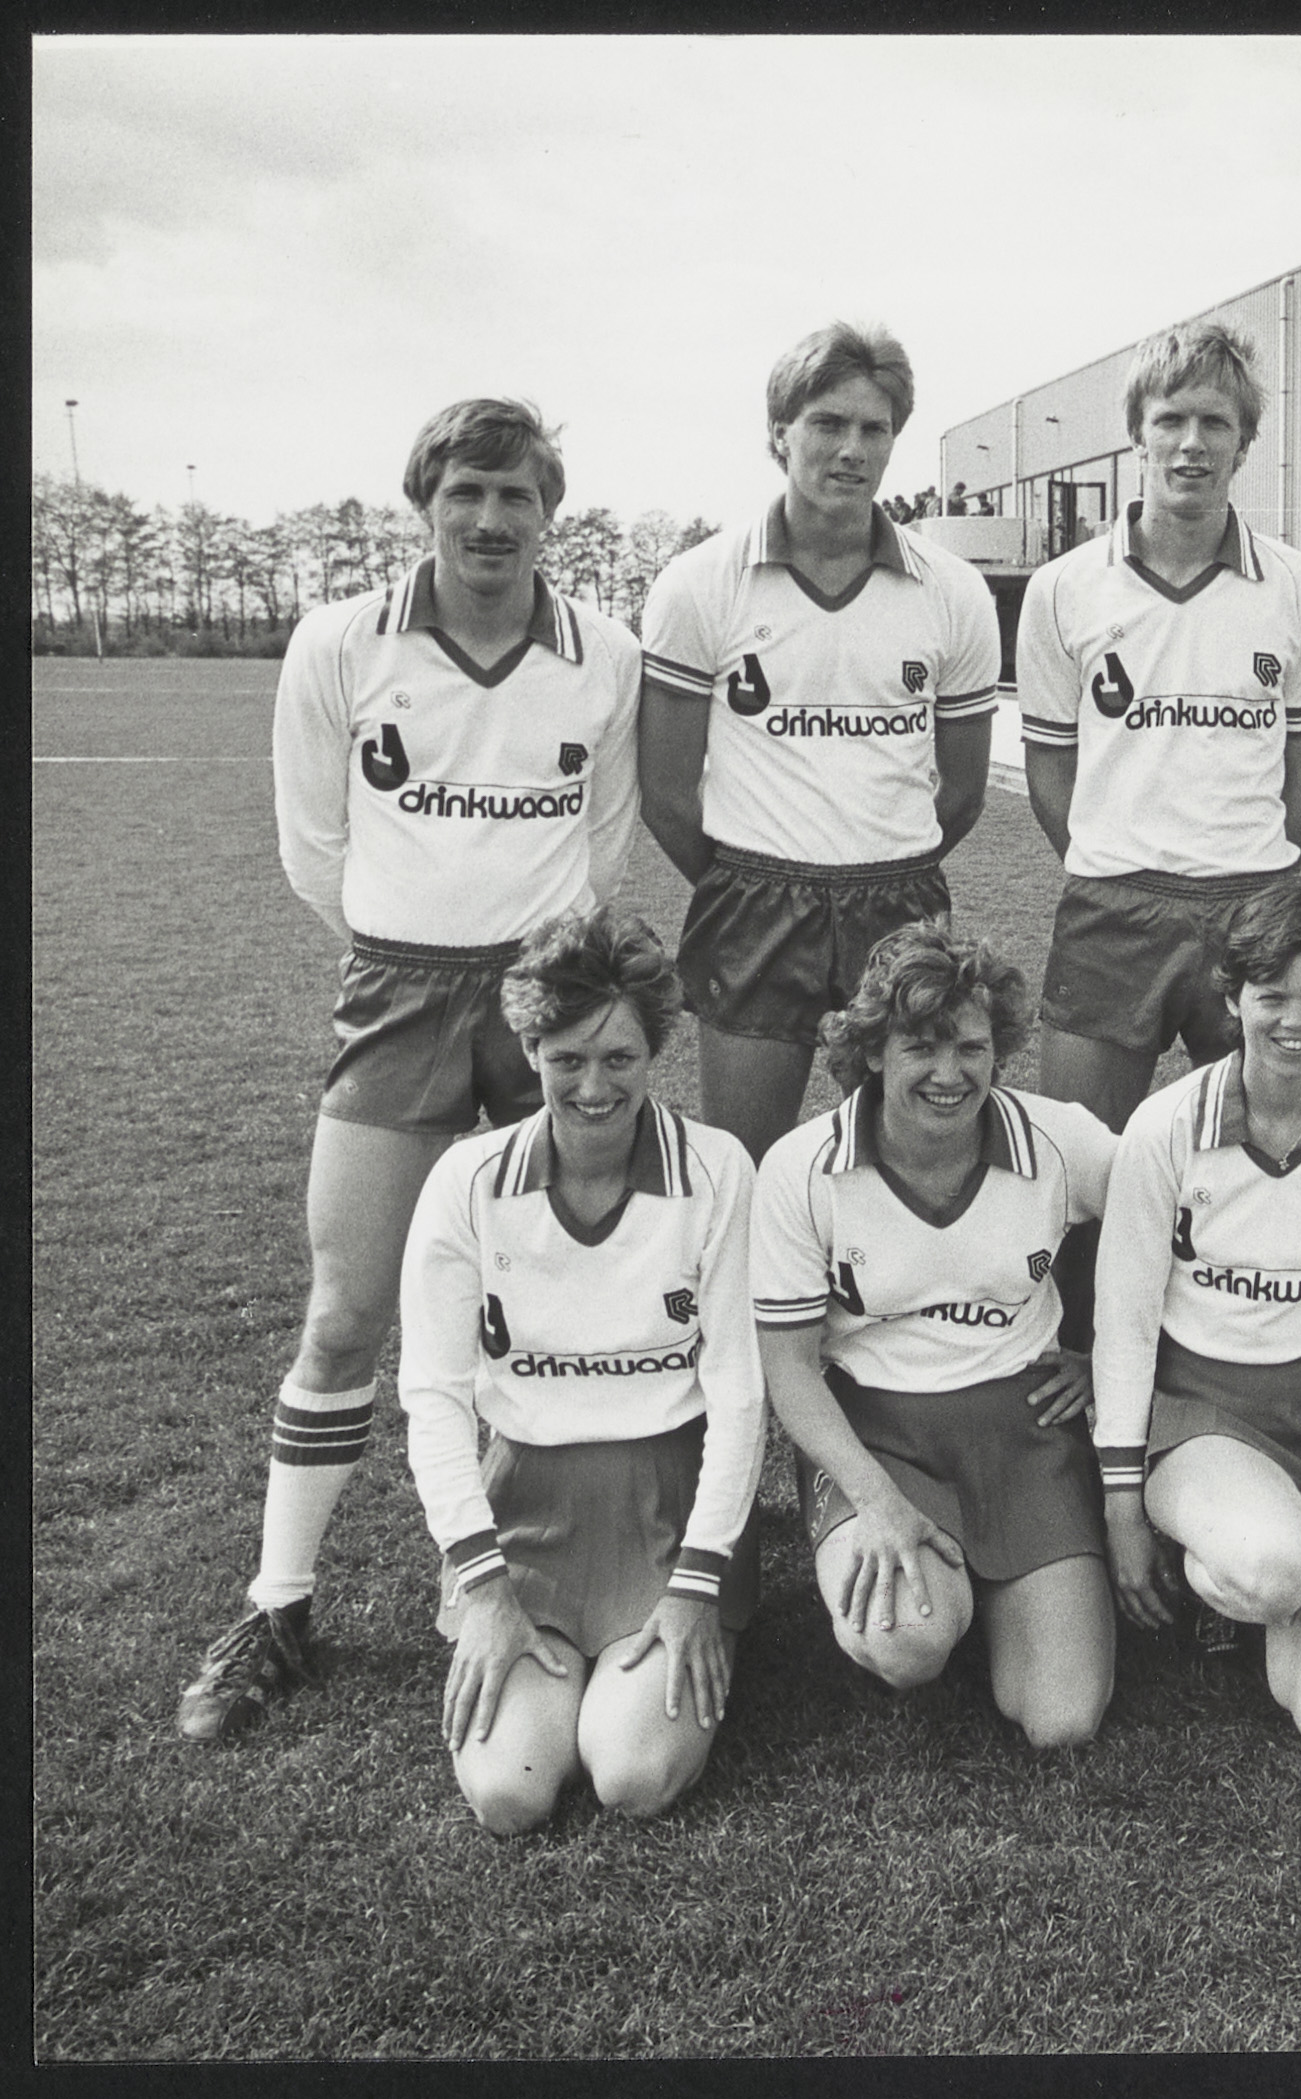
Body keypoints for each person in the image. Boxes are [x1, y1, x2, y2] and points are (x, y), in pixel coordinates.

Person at [183, 398, 645, 1743]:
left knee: (556, 1291)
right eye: (467, 494)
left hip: (547, 992)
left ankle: (523, 1556)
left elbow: (606, 837)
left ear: (549, 511)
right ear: (425, 504)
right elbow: (311, 845)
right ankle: (277, 1604)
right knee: (346, 1307)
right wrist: (410, 939)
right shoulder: (340, 640)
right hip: (396, 987)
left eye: (516, 495)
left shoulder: (604, 653)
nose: (491, 520)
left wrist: (532, 960)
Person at [394, 907, 764, 1832]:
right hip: (525, 1506)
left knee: (631, 1773)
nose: (594, 1087)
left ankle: (679, 1631)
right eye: (566, 1058)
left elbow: (739, 1395)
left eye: (619, 1057)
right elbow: (433, 1399)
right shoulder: (467, 1182)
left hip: (671, 1501)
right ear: (529, 1049)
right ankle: (532, 1633)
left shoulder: (717, 1170)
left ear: (655, 1051)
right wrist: (484, 1590)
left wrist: (697, 1586)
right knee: (509, 1790)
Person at [637, 321, 1001, 1165]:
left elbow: (962, 791)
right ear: (779, 434)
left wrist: (881, 862)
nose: (852, 450)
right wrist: (749, 879)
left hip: (899, 904)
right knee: (743, 1164)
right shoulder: (699, 583)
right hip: (755, 905)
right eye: (828, 424)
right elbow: (665, 791)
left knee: (907, 1161)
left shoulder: (953, 591)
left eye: (875, 429)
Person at [751, 922, 1119, 1750]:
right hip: (876, 1435)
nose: (950, 1074)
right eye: (921, 1046)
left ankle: (1004, 1589)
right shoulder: (803, 1167)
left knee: (1061, 1718)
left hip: (1024, 1427)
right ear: (874, 1051)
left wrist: (1109, 1361)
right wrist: (876, 1500)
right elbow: (790, 1368)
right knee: (907, 1640)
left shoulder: (1060, 1140)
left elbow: (1177, 1211)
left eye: (971, 1047)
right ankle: (949, 1587)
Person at [1091, 876, 1301, 1747]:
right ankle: (1230, 1557)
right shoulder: (1165, 1126)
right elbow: (1125, 1322)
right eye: (1271, 995)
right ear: (1232, 997)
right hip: (1200, 1411)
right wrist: (1122, 1505)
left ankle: (1258, 1566)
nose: (1294, 1020)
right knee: (1276, 1568)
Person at [1017, 321, 1301, 1136]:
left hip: (1251, 903)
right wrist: (1110, 856)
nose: (1192, 443)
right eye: (1170, 420)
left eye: (1215, 423)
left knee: (1257, 1159)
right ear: (1137, 434)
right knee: (1082, 1157)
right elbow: (1049, 764)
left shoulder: (1297, 585)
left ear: (1245, 442)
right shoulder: (1062, 587)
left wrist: (1267, 870)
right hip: (1111, 907)